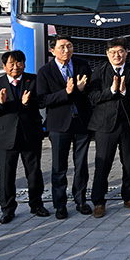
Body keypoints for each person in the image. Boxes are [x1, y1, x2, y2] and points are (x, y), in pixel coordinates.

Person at [0, 50, 49, 224]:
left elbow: (42, 101)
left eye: (19, 63)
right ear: (4, 66)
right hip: (5, 137)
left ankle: (36, 204)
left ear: (24, 64)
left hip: (30, 135)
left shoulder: (33, 80)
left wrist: (29, 102)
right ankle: (8, 209)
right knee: (6, 175)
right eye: (11, 64)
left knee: (34, 173)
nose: (15, 67)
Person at [36, 34, 93, 219]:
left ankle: (81, 201)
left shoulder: (82, 65)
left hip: (81, 123)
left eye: (69, 46)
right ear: (52, 51)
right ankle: (60, 205)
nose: (66, 50)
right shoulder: (45, 71)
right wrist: (66, 93)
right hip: (59, 125)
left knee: (81, 165)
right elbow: (42, 100)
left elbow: (92, 93)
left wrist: (82, 91)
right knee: (59, 167)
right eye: (62, 47)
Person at [88, 38, 130, 218]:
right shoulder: (99, 71)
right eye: (112, 52)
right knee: (102, 164)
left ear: (126, 52)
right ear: (107, 54)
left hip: (128, 124)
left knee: (129, 163)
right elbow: (93, 97)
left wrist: (124, 91)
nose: (116, 55)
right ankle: (98, 201)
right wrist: (111, 91)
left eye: (120, 51)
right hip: (105, 126)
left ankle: (129, 197)